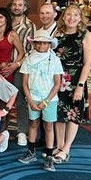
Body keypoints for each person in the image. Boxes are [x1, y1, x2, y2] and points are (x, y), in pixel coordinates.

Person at [18, 29, 63, 171]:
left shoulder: (55, 60)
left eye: (45, 43)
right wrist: (30, 100)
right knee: (33, 124)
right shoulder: (28, 59)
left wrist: (46, 101)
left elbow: (57, 83)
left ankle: (49, 156)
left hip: (49, 99)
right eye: (38, 43)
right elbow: (24, 83)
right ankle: (31, 152)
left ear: (49, 44)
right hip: (33, 98)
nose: (41, 46)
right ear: (34, 44)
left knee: (49, 126)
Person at [53, 4, 91, 163]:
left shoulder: (85, 35)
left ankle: (66, 148)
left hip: (76, 79)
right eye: (68, 14)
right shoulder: (59, 34)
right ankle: (59, 145)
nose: (72, 18)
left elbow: (88, 63)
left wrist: (80, 85)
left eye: (75, 15)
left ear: (80, 18)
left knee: (73, 114)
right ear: (63, 16)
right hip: (58, 78)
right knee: (59, 114)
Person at [9, 0, 36, 147]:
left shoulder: (30, 26)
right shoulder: (5, 22)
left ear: (25, 8)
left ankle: (21, 132)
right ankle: (2, 130)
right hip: (5, 68)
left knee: (20, 100)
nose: (17, 7)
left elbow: (30, 51)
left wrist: (17, 63)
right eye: (14, 4)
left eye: (20, 5)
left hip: (21, 68)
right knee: (3, 99)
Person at [0, 7, 25, 83]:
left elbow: (22, 52)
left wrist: (14, 66)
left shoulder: (12, 34)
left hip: (5, 72)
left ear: (6, 18)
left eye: (1, 17)